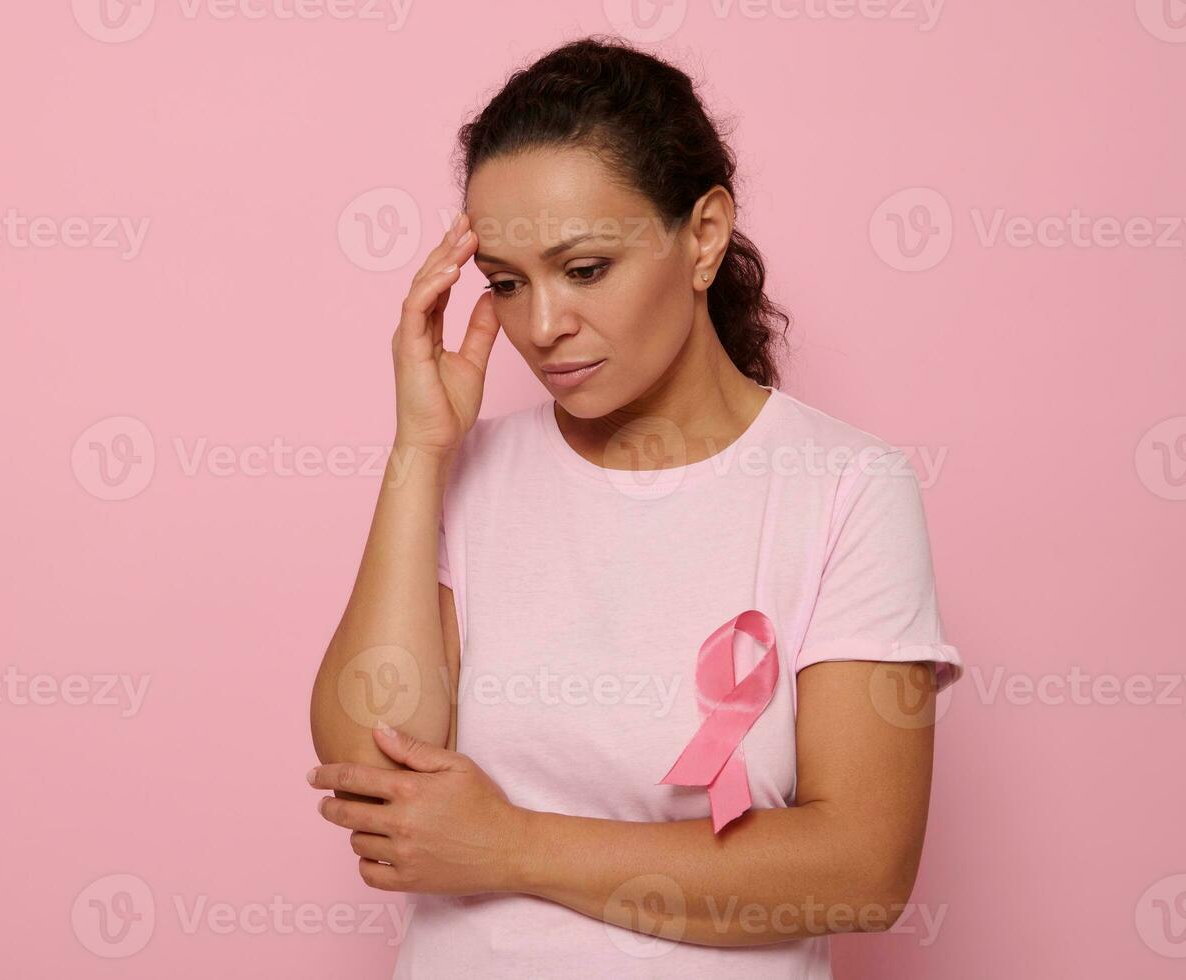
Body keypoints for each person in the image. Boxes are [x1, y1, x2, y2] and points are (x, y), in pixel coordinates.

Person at [308, 34, 964, 979]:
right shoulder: (467, 473)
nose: (541, 328)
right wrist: (418, 453)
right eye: (504, 281)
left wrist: (511, 845)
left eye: (583, 270)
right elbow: (375, 771)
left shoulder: (845, 488)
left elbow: (861, 867)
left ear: (701, 236)